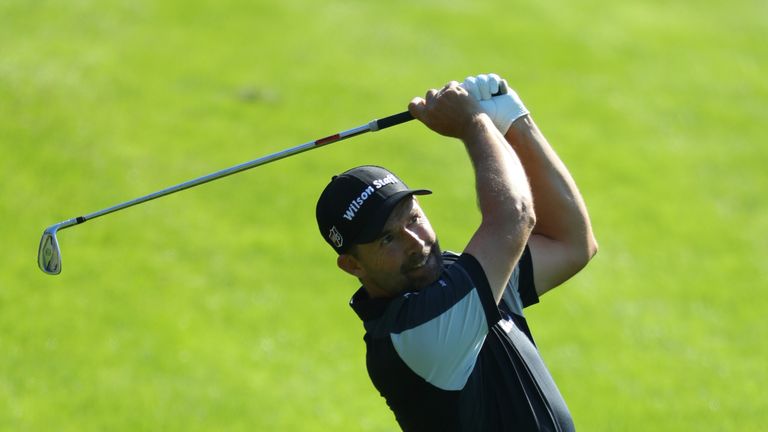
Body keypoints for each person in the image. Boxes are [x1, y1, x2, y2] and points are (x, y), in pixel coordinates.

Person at [315, 74, 598, 431]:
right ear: (352, 264)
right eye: (387, 239)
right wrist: (476, 124)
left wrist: (514, 121)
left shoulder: (454, 278)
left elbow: (570, 243)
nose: (415, 242)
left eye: (414, 218)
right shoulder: (413, 334)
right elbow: (514, 215)